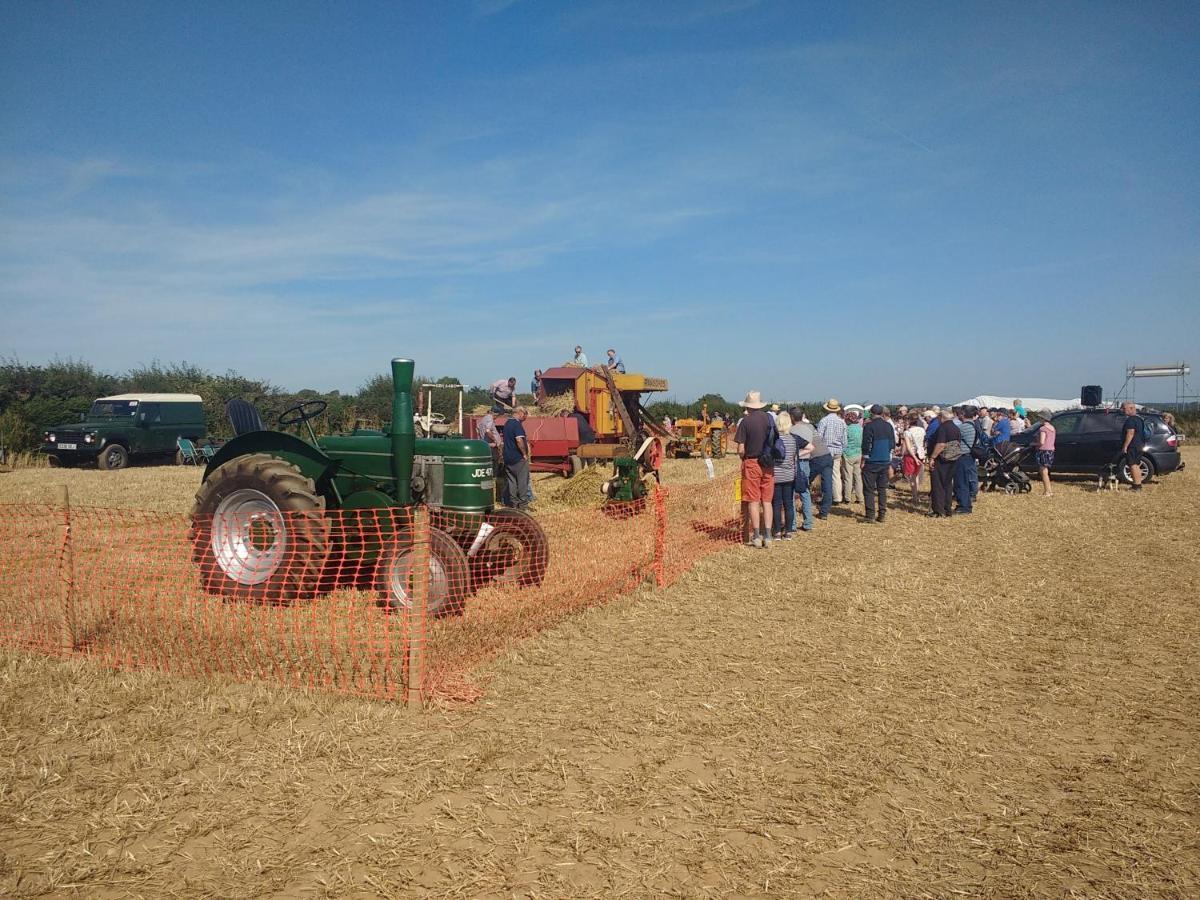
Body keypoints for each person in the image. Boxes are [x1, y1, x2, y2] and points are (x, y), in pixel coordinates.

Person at [735, 391, 776, 548]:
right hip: (768, 463)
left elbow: (740, 449)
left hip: (752, 463)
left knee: (753, 500)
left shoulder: (745, 422)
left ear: (747, 406)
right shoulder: (769, 419)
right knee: (766, 501)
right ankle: (768, 536)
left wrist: (743, 457)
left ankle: (757, 536)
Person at [793, 409, 835, 520]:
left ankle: (801, 507)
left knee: (803, 483)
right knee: (827, 485)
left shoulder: (795, 429)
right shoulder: (810, 426)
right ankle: (824, 512)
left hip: (816, 458)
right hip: (827, 455)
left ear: (791, 418)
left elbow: (804, 445)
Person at [861, 404, 895, 523]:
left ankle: (870, 515)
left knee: (869, 489)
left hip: (872, 461)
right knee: (882, 489)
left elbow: (866, 445)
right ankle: (882, 513)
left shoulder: (869, 426)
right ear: (881, 413)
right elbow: (892, 444)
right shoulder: (889, 426)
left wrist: (864, 459)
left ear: (871, 413)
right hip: (885, 460)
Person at [770, 412, 800, 540]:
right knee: (788, 504)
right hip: (789, 476)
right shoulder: (793, 439)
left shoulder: (774, 439)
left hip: (775, 475)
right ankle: (788, 531)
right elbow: (794, 458)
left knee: (776, 504)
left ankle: (776, 531)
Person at [928, 410, 961, 518]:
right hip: (953, 459)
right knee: (947, 484)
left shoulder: (943, 428)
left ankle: (938, 510)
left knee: (938, 485)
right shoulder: (956, 428)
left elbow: (941, 444)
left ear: (942, 417)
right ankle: (947, 509)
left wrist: (932, 457)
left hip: (941, 460)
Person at [787, 407, 816, 531]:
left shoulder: (790, 431)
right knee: (805, 492)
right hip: (806, 463)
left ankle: (792, 524)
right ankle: (808, 523)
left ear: (792, 417)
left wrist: (796, 455)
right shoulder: (809, 428)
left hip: (794, 463)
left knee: (791, 493)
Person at [817, 398, 847, 505]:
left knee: (826, 476)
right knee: (836, 474)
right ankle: (837, 497)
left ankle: (826, 498)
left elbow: (819, 437)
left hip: (826, 450)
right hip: (838, 450)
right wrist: (842, 449)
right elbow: (845, 440)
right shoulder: (842, 422)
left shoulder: (823, 421)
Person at [502, 407, 532, 510]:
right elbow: (519, 440)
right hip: (517, 457)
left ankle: (514, 503)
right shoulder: (516, 424)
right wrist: (524, 454)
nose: (525, 416)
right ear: (519, 413)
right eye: (525, 414)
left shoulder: (507, 424)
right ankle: (523, 504)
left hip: (507, 457)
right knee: (522, 481)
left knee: (512, 481)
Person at [953, 406, 978, 514]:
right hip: (969, 457)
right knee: (966, 481)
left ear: (963, 414)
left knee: (961, 482)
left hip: (962, 457)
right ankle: (965, 504)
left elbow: (952, 437)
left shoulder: (963, 427)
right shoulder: (974, 425)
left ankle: (964, 506)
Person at [901, 412, 927, 503]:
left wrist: (914, 458)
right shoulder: (922, 430)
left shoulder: (907, 432)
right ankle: (916, 494)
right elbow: (924, 443)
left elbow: (908, 447)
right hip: (920, 454)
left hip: (911, 456)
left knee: (911, 477)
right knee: (915, 475)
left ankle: (915, 497)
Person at [1120, 400, 1145, 491]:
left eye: (1124, 408)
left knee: (1132, 464)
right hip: (1139, 445)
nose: (1122, 410)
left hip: (1133, 446)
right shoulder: (1139, 419)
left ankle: (1137, 486)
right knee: (1136, 464)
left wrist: (1125, 446)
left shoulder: (1131, 420)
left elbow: (1130, 433)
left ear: (1131, 408)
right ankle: (1137, 484)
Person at [842, 409, 864, 504]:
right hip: (858, 453)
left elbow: (843, 442)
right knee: (858, 476)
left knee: (848, 476)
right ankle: (860, 497)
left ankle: (847, 497)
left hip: (848, 454)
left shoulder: (847, 429)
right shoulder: (860, 428)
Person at [1035, 409, 1056, 496]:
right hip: (1051, 450)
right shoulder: (1052, 428)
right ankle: (1049, 490)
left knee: (1043, 471)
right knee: (1046, 470)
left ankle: (1047, 491)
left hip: (1043, 450)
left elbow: (1042, 442)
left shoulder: (1043, 428)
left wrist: (1034, 443)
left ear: (1043, 418)